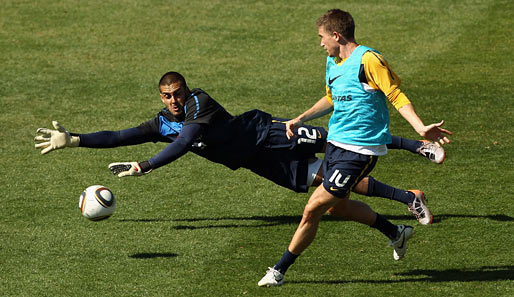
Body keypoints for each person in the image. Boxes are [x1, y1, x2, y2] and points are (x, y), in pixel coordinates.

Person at [257, 9, 452, 287]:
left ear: (336, 35)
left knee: (312, 209)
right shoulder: (332, 62)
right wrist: (300, 117)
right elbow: (330, 98)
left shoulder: (369, 60)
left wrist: (420, 127)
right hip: (335, 145)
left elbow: (394, 94)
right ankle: (396, 232)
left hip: (359, 152)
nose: (321, 43)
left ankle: (279, 270)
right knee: (338, 208)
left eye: (322, 37)